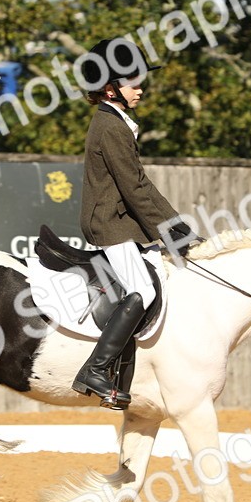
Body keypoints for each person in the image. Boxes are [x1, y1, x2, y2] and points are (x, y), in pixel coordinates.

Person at [71, 37, 200, 408]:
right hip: (110, 224)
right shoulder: (110, 126)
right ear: (110, 88)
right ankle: (95, 369)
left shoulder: (118, 121)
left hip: (120, 222)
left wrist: (176, 227)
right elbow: (135, 187)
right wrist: (173, 231)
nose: (141, 88)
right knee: (142, 289)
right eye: (134, 82)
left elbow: (141, 184)